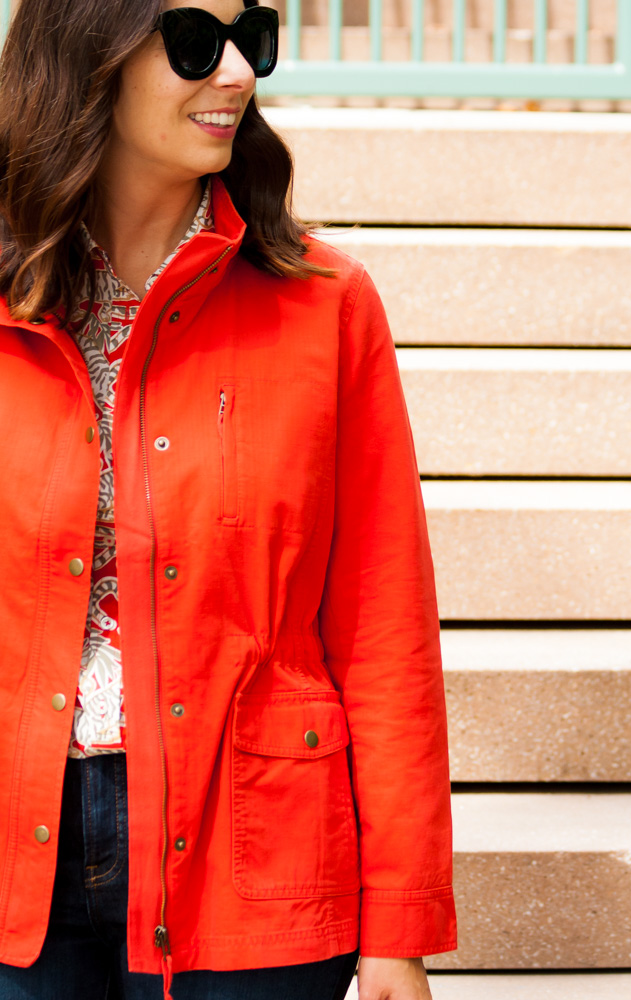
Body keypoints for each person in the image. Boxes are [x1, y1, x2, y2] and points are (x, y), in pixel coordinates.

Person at [0, 0, 457, 997]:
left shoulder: (327, 306)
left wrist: (398, 925)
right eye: (196, 43)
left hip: (257, 865)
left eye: (253, 36)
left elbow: (385, 632)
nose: (240, 74)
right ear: (89, 50)